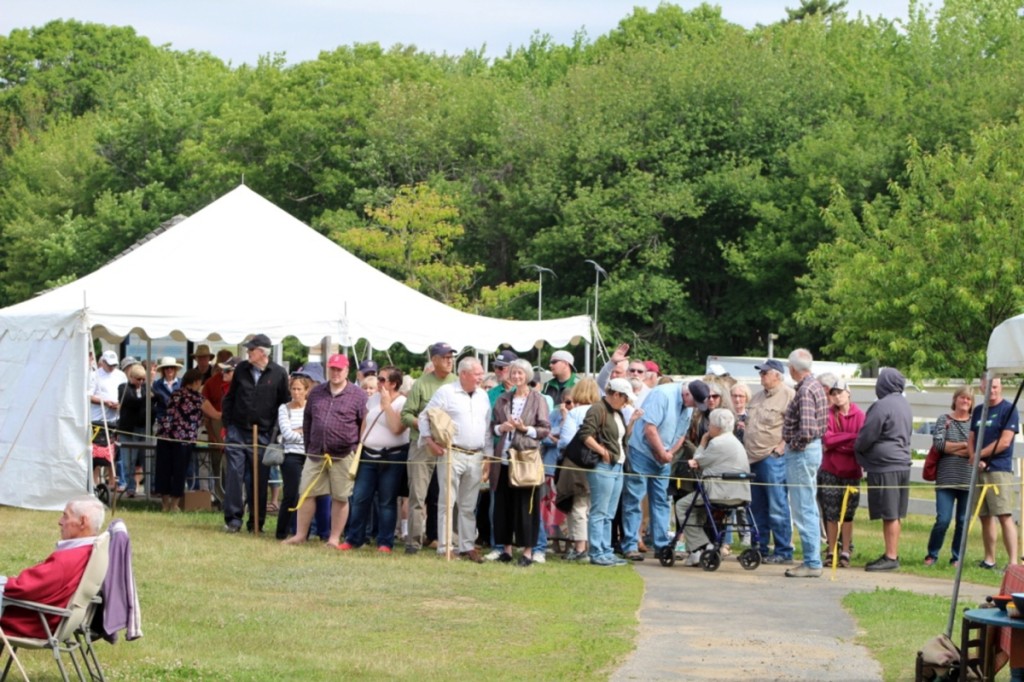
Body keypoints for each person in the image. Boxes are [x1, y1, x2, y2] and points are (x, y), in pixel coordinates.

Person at [285, 354, 367, 548]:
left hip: (343, 453)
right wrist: (309, 446)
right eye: (332, 369)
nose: (336, 373)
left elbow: (363, 422)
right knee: (306, 493)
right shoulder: (316, 392)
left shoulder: (358, 395)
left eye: (339, 369)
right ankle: (300, 535)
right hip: (315, 453)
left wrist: (355, 448)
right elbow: (308, 420)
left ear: (347, 370)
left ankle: (334, 538)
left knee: (340, 496)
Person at [0, 496, 105, 639]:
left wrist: (4, 582)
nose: (60, 522)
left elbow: (22, 588)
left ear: (82, 522)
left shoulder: (68, 559)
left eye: (65, 516)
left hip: (32, 622)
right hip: (48, 620)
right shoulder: (90, 551)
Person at [420, 356, 492, 562]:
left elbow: (486, 428)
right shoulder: (446, 392)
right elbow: (426, 416)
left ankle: (467, 545)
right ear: (464, 374)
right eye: (477, 374)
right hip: (452, 453)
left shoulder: (482, 396)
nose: (481, 378)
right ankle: (445, 546)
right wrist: (430, 442)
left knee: (468, 505)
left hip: (475, 454)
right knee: (447, 502)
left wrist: (487, 455)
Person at [220, 333, 291, 534]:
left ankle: (256, 522)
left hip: (263, 434)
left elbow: (283, 405)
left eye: (251, 350)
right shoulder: (241, 369)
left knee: (257, 479)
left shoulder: (278, 373)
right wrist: (228, 425)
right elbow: (230, 398)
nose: (248, 353)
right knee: (234, 474)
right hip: (238, 431)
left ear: (262, 352)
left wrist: (275, 433)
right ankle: (233, 520)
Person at [620, 380, 694, 562]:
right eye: (694, 403)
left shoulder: (689, 404)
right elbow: (649, 429)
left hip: (664, 456)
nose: (694, 407)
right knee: (634, 498)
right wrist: (661, 452)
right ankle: (630, 545)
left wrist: (669, 453)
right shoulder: (662, 394)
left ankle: (662, 546)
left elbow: (682, 433)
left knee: (661, 500)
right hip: (641, 452)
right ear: (687, 395)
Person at [488, 358, 550, 566]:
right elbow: (493, 426)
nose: (516, 377)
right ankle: (504, 549)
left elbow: (544, 429)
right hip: (504, 457)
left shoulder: (537, 399)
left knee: (526, 506)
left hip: (525, 458)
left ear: (527, 376)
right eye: (513, 373)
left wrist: (525, 429)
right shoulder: (503, 399)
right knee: (503, 505)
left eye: (520, 373)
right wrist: (502, 428)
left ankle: (528, 551)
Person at [343, 367, 410, 553]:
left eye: (382, 379)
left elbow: (397, 428)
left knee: (387, 501)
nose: (378, 382)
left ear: (393, 383)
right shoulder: (372, 399)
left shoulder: (403, 402)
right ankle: (354, 538)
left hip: (393, 457)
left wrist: (387, 405)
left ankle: (385, 542)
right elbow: (365, 421)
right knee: (359, 497)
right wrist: (361, 441)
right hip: (368, 455)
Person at [674, 408, 751, 567]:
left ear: (717, 427)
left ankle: (702, 546)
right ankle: (695, 552)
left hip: (719, 493)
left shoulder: (717, 443)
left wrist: (702, 443)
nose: (708, 427)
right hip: (740, 494)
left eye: (710, 424)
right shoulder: (736, 442)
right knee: (696, 509)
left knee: (681, 505)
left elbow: (697, 462)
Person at [854, 367, 913, 572]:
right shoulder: (904, 404)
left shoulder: (882, 405)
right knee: (895, 512)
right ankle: (892, 552)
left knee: (889, 513)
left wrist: (858, 449)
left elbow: (868, 433)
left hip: (886, 465)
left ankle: (890, 556)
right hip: (902, 463)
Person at [400, 342, 457, 554]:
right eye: (444, 357)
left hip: (448, 445)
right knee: (417, 495)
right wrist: (426, 425)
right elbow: (405, 414)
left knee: (447, 495)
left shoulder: (457, 384)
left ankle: (444, 540)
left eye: (451, 357)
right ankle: (413, 542)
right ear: (434, 360)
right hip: (422, 445)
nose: (449, 360)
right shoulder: (421, 384)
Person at [781, 349, 828, 578]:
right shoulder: (816, 386)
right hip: (810, 451)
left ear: (792, 369)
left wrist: (794, 444)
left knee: (803, 508)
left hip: (802, 453)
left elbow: (808, 429)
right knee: (807, 505)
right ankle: (812, 559)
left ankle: (811, 561)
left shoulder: (806, 390)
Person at [743, 358, 795, 565]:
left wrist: (782, 446)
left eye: (765, 373)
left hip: (772, 459)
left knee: (777, 505)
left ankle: (783, 550)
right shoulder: (756, 398)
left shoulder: (790, 396)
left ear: (777, 375)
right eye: (761, 373)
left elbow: (795, 425)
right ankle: (760, 548)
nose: (761, 376)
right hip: (752, 458)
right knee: (756, 506)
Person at [579, 377, 635, 566]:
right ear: (616, 394)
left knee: (609, 513)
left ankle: (606, 549)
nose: (626, 402)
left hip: (617, 465)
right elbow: (585, 434)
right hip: (603, 466)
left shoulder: (617, 412)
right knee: (599, 510)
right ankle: (596, 551)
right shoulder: (597, 408)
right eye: (625, 398)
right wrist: (602, 451)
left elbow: (621, 438)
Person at [968, 376, 1020, 570]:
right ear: (982, 387)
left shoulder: (1009, 410)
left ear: (1001, 388)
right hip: (978, 469)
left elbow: (1005, 441)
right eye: (989, 387)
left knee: (1004, 515)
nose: (992, 391)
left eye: (996, 387)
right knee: (984, 516)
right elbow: (972, 437)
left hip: (999, 470)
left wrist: (980, 455)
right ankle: (989, 559)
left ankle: (1013, 562)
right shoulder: (979, 411)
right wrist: (974, 457)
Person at [818, 375, 865, 568]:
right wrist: (848, 438)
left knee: (848, 514)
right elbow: (827, 440)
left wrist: (841, 441)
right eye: (834, 393)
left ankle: (845, 550)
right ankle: (831, 550)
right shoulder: (828, 414)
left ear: (849, 393)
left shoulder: (860, 415)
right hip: (830, 470)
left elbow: (860, 441)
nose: (837, 397)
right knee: (831, 513)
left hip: (852, 471)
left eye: (840, 392)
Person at [925, 386, 974, 567]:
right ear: (955, 399)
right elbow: (939, 445)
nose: (965, 401)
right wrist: (963, 445)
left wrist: (956, 448)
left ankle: (956, 557)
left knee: (962, 521)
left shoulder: (974, 422)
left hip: (967, 479)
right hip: (946, 478)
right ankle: (932, 554)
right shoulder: (943, 420)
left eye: (968, 399)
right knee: (943, 519)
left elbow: (975, 449)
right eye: (962, 398)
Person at [556, 380, 600, 561]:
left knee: (579, 506)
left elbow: (565, 441)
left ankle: (580, 547)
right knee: (592, 507)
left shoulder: (574, 413)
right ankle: (591, 545)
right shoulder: (601, 413)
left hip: (576, 464)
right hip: (598, 463)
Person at [153, 368, 205, 512]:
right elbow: (214, 413)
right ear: (195, 382)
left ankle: (164, 505)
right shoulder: (198, 398)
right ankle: (174, 505)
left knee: (163, 470)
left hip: (165, 435)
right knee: (179, 471)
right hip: (183, 439)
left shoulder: (175, 394)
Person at [275, 374, 314, 541]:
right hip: (291, 455)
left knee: (308, 494)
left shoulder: (311, 408)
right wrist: (302, 434)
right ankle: (282, 530)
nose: (296, 392)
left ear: (306, 391)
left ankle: (303, 531)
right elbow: (286, 433)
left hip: (310, 455)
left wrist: (300, 432)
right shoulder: (284, 408)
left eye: (299, 389)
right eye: (293, 389)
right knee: (291, 493)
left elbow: (314, 431)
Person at [117, 364, 150, 498]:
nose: (140, 382)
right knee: (128, 460)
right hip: (128, 430)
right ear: (131, 377)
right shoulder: (123, 388)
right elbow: (130, 401)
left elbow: (156, 399)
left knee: (142, 459)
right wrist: (146, 398)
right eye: (138, 379)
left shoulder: (146, 389)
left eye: (143, 379)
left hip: (142, 429)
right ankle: (130, 487)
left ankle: (147, 487)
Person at [151, 356, 183, 425]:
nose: (169, 369)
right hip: (162, 420)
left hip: (179, 421)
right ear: (163, 370)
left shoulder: (182, 383)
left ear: (175, 369)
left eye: (172, 367)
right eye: (166, 368)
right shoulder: (157, 384)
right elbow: (153, 403)